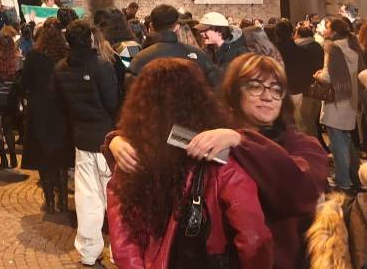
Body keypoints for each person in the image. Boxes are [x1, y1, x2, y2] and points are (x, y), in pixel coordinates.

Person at [107, 53, 329, 268]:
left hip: (282, 259)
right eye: (255, 86)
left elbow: (302, 184)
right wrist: (118, 139)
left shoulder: (301, 144)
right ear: (234, 92)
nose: (267, 96)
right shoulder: (211, 134)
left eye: (276, 89)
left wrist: (241, 141)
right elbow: (165, 134)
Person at [53, 19, 119, 267]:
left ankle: (89, 251)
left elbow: (62, 103)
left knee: (86, 198)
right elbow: (112, 103)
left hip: (81, 137)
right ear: (90, 39)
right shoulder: (102, 65)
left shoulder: (61, 68)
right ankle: (118, 251)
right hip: (105, 139)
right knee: (113, 197)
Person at [21, 24, 71, 213]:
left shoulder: (34, 56)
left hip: (39, 109)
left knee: (43, 156)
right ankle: (64, 201)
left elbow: (24, 81)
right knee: (62, 157)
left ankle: (49, 200)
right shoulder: (66, 56)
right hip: (62, 109)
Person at [314, 17, 364, 193]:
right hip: (351, 99)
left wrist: (318, 75)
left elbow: (329, 77)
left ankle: (343, 181)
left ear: (333, 31)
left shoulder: (332, 47)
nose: (324, 29)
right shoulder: (353, 45)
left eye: (326, 26)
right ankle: (356, 178)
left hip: (337, 100)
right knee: (346, 141)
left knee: (338, 143)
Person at [128, 4, 218, 86]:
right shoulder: (199, 55)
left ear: (151, 27)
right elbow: (213, 86)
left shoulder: (140, 58)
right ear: (177, 27)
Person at [0, 26, 22, 169]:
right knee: (8, 129)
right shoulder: (19, 59)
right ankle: (13, 156)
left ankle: (4, 159)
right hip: (11, 98)